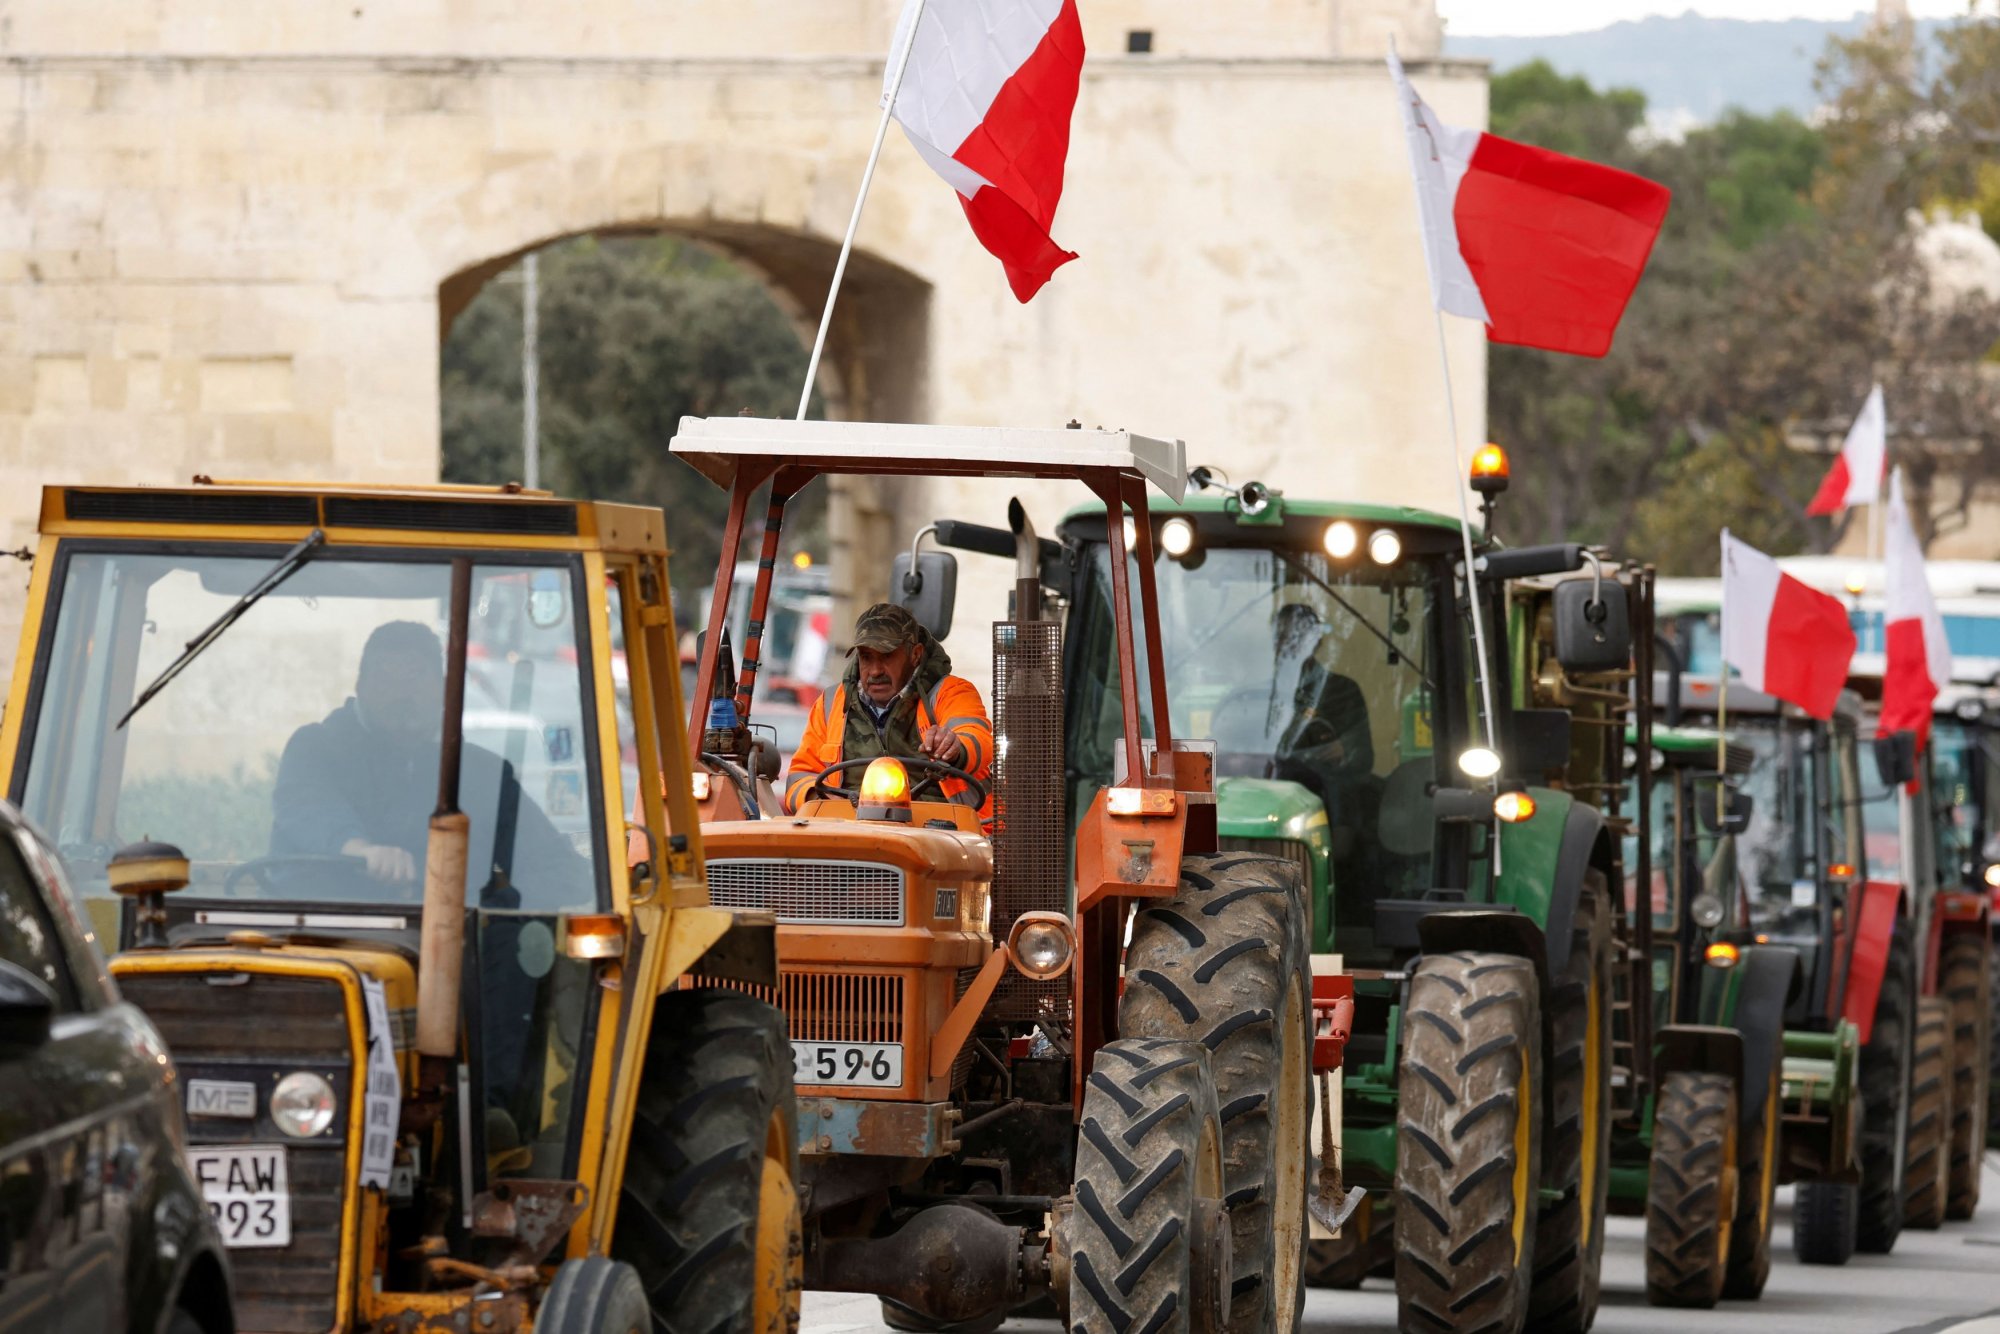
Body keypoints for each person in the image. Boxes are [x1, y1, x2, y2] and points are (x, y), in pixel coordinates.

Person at [270, 620, 588, 907]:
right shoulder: (317, 749)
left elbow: (559, 871)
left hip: (455, 949)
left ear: (444, 688)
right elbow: (308, 810)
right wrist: (361, 851)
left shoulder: (481, 774)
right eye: (385, 676)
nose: (401, 692)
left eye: (415, 675)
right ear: (360, 686)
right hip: (321, 935)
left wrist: (484, 908)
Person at [784, 603, 994, 812]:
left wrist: (955, 747)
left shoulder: (950, 692)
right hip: (848, 830)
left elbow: (977, 737)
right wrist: (817, 797)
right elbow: (800, 774)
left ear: (915, 655)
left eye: (887, 656)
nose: (875, 671)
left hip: (941, 830)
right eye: (866, 657)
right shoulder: (830, 703)